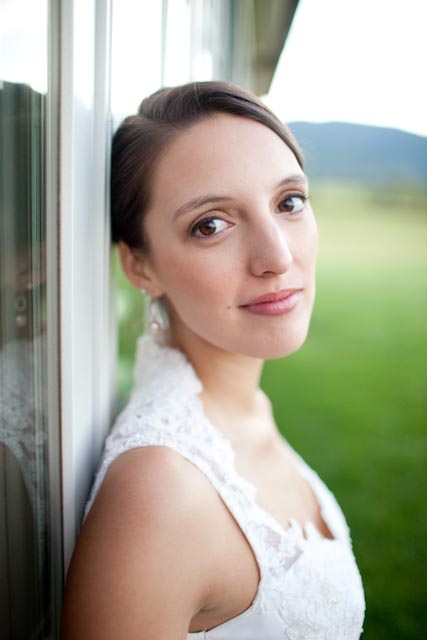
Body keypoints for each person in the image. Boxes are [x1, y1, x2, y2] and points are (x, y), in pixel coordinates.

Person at [61, 81, 365, 639]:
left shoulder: (242, 410)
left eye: (289, 202)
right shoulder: (160, 491)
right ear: (141, 266)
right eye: (211, 225)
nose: (277, 257)